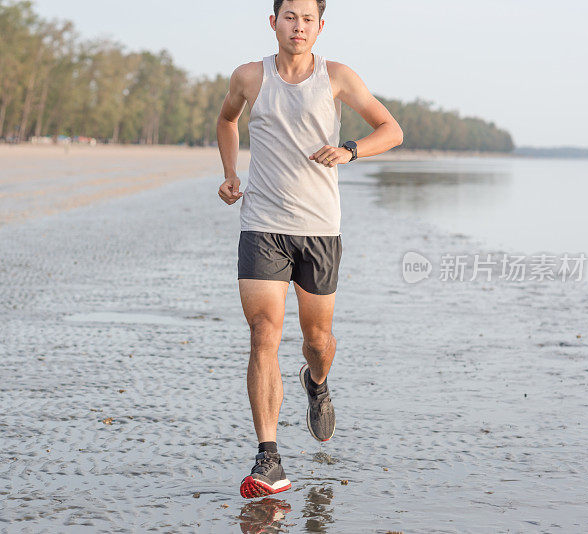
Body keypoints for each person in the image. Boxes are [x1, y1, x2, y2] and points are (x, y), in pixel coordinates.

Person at [216, 0, 404, 499]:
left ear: (321, 26)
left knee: (317, 340)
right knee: (263, 334)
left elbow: (392, 129)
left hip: (320, 229)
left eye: (307, 19)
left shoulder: (337, 77)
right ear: (272, 21)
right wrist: (232, 174)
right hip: (262, 226)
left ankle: (316, 382)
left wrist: (351, 151)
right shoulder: (248, 77)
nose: (297, 26)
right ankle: (269, 457)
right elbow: (227, 121)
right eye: (289, 16)